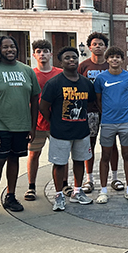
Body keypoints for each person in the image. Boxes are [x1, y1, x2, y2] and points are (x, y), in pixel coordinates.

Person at [0, 35, 39, 217]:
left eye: (12, 47)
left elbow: (35, 100)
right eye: (5, 47)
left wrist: (32, 127)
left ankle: (10, 196)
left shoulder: (27, 70)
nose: (10, 50)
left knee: (14, 160)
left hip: (21, 126)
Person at [38, 46, 96, 211]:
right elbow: (43, 107)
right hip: (60, 133)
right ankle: (59, 195)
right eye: (67, 58)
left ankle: (77, 191)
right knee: (59, 163)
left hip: (81, 131)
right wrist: (54, 121)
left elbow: (91, 103)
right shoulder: (54, 83)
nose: (72, 60)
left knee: (79, 161)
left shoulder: (85, 83)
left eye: (74, 58)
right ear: (61, 62)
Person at [94, 46, 128, 204]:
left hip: (126, 122)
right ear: (107, 60)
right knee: (105, 156)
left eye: (118, 57)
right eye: (111, 57)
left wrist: (124, 112)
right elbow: (98, 100)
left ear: (122, 60)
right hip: (107, 123)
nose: (114, 59)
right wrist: (107, 114)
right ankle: (103, 190)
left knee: (127, 155)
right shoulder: (101, 78)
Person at [78, 32, 120, 193]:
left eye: (100, 44)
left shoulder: (110, 65)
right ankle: (89, 180)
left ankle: (115, 178)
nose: (97, 46)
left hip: (109, 111)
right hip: (90, 111)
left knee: (111, 145)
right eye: (94, 44)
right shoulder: (84, 66)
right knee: (90, 144)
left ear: (105, 47)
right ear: (89, 47)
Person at [25, 39, 62, 201]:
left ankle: (64, 184)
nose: (42, 54)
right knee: (33, 155)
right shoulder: (30, 74)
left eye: (45, 51)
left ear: (51, 54)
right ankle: (31, 186)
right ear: (34, 55)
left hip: (57, 122)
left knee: (61, 156)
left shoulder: (60, 73)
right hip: (37, 123)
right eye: (39, 51)